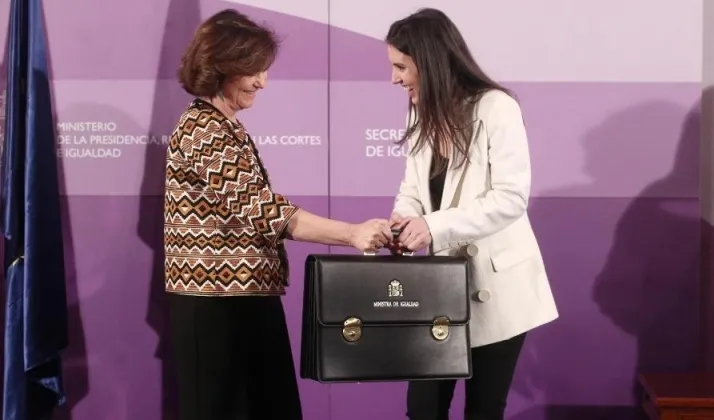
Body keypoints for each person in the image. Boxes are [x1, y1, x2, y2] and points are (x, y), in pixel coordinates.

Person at [163, 9, 393, 420]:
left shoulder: (225, 126)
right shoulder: (204, 129)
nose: (262, 82)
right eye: (252, 71)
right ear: (220, 67)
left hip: (244, 299)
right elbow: (264, 210)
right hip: (215, 306)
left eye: (264, 70)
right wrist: (352, 234)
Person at [385, 8, 559, 420]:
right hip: (441, 289)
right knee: (423, 409)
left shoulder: (496, 107)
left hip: (497, 287)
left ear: (429, 61)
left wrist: (431, 226)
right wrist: (402, 221)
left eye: (401, 67)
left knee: (484, 408)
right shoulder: (419, 110)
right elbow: (413, 189)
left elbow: (510, 198)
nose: (394, 78)